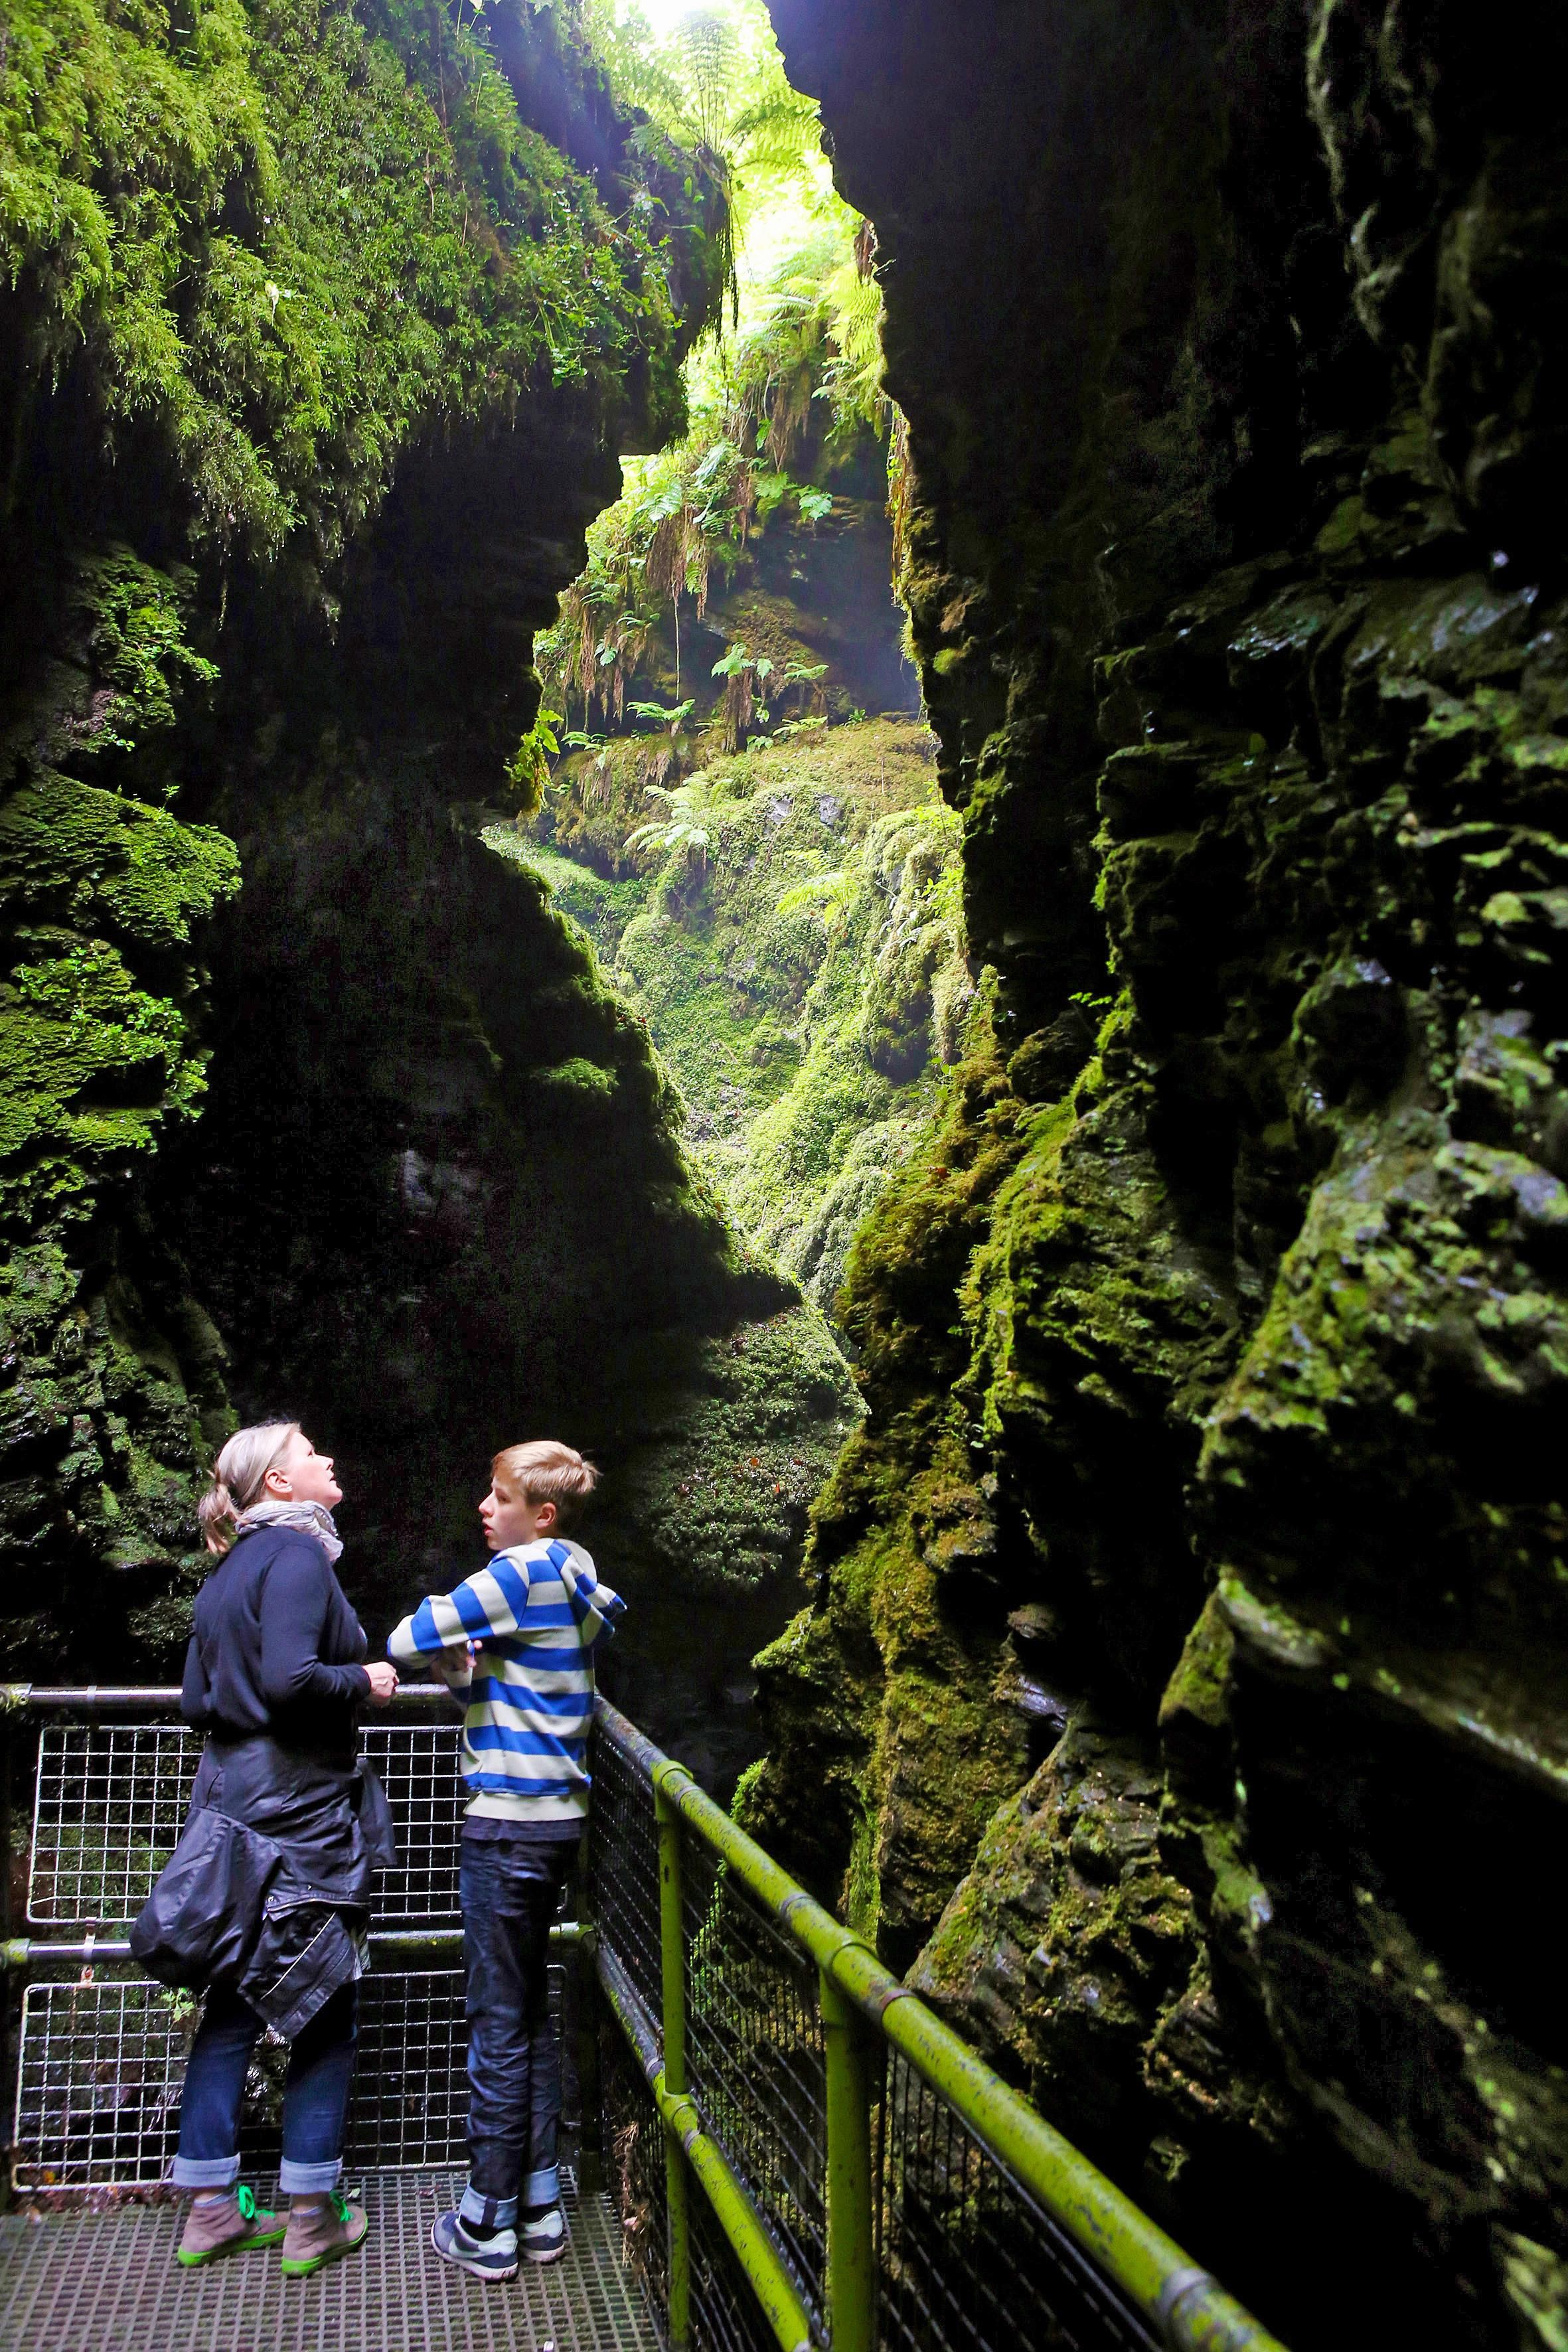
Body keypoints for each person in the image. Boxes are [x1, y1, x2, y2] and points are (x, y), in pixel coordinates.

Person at [151, 1420, 398, 2273]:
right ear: (282, 1487)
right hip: (296, 1819)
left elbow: (196, 1697)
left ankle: (212, 2209)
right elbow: (291, 1682)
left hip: (226, 1814)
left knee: (231, 2009)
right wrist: (362, 1681)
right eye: (310, 1451)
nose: (328, 1457)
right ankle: (309, 2215)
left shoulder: (226, 1574)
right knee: (323, 2005)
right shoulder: (295, 1557)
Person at [388, 1439, 624, 2284]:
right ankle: (539, 2199)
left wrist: (446, 1642)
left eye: (498, 1498)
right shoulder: (573, 1576)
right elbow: (505, 1686)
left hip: (503, 1827)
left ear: (541, 1514)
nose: (484, 1511)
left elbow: (408, 1636)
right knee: (526, 2014)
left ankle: (485, 2221)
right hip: (559, 1823)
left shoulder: (516, 1576)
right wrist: (468, 1674)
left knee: (493, 2019)